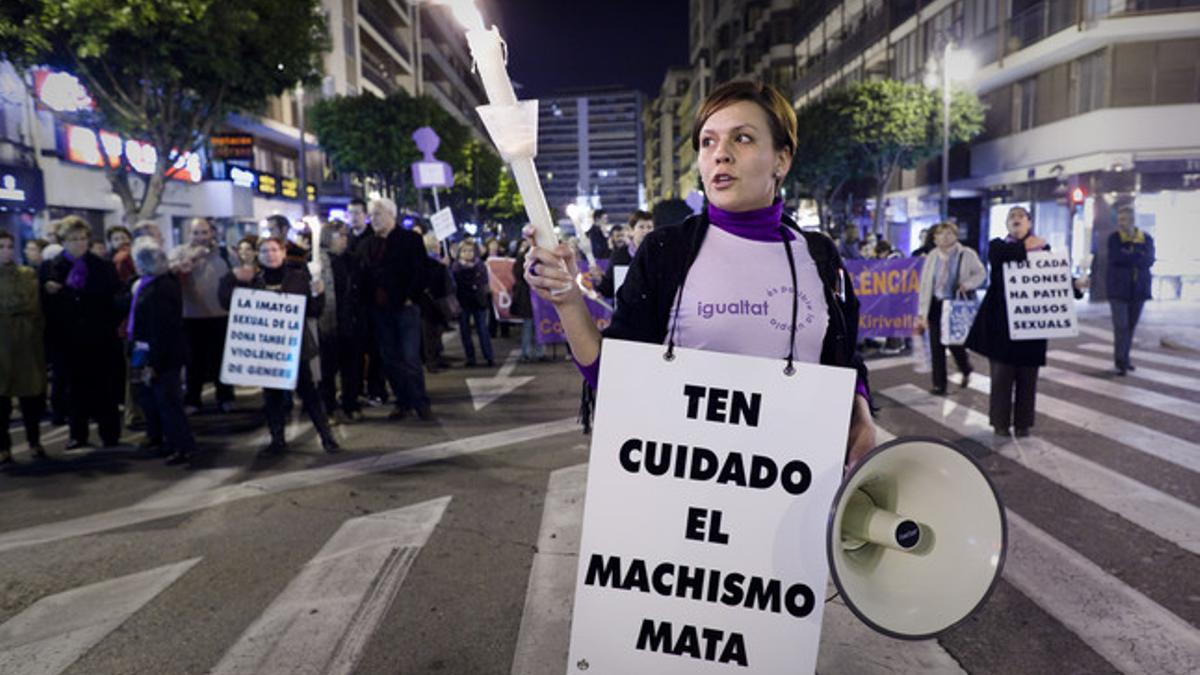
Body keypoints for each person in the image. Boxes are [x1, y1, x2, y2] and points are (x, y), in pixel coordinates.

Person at [524, 80, 875, 466]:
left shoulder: (820, 255)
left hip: (793, 493)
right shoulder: (664, 252)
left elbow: (843, 360)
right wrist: (569, 302)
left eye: (742, 138)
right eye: (707, 142)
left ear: (782, 160)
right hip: (686, 496)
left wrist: (860, 413)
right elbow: (615, 375)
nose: (720, 155)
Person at [220, 237, 340, 454]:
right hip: (267, 350)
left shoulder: (299, 277)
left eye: (275, 250)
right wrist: (232, 278)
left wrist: (319, 293)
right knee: (273, 397)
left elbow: (314, 311)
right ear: (258, 255)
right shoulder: (253, 279)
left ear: (283, 252)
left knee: (309, 393)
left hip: (295, 348)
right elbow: (226, 301)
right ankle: (277, 439)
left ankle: (326, 437)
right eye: (265, 251)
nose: (270, 255)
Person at [965, 206, 1049, 437]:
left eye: (1021, 216)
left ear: (1029, 223)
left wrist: (1075, 286)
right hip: (1002, 324)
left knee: (1028, 377)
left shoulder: (1044, 249)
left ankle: (1023, 423)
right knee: (1001, 377)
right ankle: (1000, 422)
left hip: (1032, 323)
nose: (1016, 220)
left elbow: (1054, 278)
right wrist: (1025, 247)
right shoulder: (998, 246)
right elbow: (1001, 258)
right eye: (1012, 216)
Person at [40, 216, 123, 449]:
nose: (78, 243)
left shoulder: (102, 266)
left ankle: (110, 435)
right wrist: (50, 292)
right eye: (72, 239)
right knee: (74, 390)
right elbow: (43, 305)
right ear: (63, 241)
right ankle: (78, 434)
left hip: (99, 337)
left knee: (104, 388)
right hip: (67, 339)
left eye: (82, 238)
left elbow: (114, 300)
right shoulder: (52, 267)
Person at [127, 239, 200, 465]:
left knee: (169, 403)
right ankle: (171, 442)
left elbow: (161, 330)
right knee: (159, 401)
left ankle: (182, 446)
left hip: (162, 355)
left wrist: (153, 363)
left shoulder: (160, 288)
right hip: (158, 351)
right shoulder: (157, 283)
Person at [360, 197, 433, 421]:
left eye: (378, 215)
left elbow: (421, 270)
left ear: (391, 215)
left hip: (405, 307)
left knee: (410, 358)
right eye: (371, 215)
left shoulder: (410, 240)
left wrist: (411, 297)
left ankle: (420, 402)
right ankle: (403, 401)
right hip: (380, 310)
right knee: (389, 358)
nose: (374, 220)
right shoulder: (367, 244)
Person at [173, 217, 235, 414]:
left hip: (221, 314)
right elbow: (169, 270)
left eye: (204, 232)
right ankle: (193, 399)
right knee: (194, 361)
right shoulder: (179, 252)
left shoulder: (225, 253)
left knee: (221, 359)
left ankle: (225, 396)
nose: (200, 237)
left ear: (212, 233)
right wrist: (191, 258)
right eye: (196, 233)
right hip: (191, 316)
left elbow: (237, 275)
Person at [916, 222, 985, 394]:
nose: (944, 237)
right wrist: (922, 313)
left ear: (956, 236)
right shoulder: (932, 255)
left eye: (949, 233)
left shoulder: (966, 254)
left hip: (954, 305)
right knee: (936, 346)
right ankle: (939, 384)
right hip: (936, 305)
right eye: (940, 234)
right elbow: (925, 284)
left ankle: (966, 367)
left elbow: (981, 273)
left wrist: (968, 284)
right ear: (935, 238)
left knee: (955, 344)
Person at [0, 231, 47, 463]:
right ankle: (3, 447)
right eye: (1, 247)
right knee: (1, 402)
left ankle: (34, 441)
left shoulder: (27, 273)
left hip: (26, 343)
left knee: (30, 400)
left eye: (9, 246)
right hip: (2, 346)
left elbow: (31, 304)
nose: (6, 251)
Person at [1106, 205, 1154, 376]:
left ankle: (1125, 359)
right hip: (1118, 290)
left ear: (1133, 221)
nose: (1121, 223)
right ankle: (1120, 362)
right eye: (1119, 220)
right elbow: (1116, 258)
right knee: (1121, 326)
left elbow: (1149, 260)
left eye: (1124, 220)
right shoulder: (1114, 239)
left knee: (1131, 327)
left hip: (1139, 290)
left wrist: (1129, 256)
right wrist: (1136, 256)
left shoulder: (1146, 238)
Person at [452, 239, 495, 368]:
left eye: (470, 251)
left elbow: (484, 282)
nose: (468, 253)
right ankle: (470, 357)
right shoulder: (455, 267)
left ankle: (489, 356)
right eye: (464, 251)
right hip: (463, 302)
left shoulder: (480, 265)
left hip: (478, 301)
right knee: (465, 331)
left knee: (482, 330)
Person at [597, 210, 653, 300]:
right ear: (631, 230)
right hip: (625, 309)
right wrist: (599, 280)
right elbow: (609, 289)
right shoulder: (618, 256)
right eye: (641, 227)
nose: (646, 231)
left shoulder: (660, 255)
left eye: (649, 227)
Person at [511, 239, 545, 363]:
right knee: (529, 325)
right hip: (527, 296)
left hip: (539, 294)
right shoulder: (522, 257)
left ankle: (538, 352)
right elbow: (518, 274)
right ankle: (527, 352)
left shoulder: (543, 257)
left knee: (538, 325)